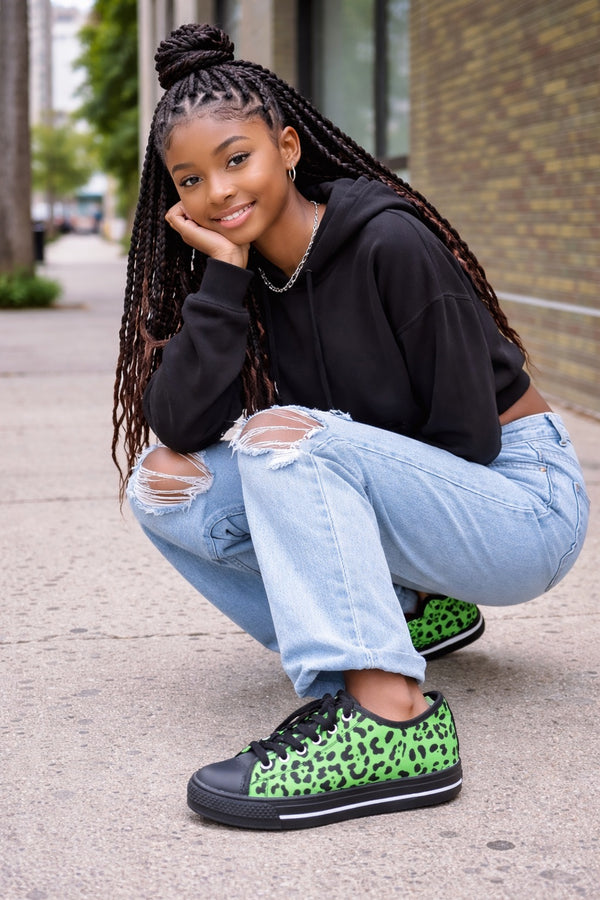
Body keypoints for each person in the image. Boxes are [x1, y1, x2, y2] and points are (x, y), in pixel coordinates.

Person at [112, 23, 589, 831]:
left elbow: (469, 438)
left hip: (523, 503)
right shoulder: (245, 273)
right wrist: (222, 284)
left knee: (282, 439)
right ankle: (400, 621)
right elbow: (182, 425)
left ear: (288, 147)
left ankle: (390, 717)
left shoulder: (389, 241)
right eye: (190, 180)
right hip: (426, 505)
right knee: (162, 486)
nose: (218, 191)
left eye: (237, 159)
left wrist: (327, 454)